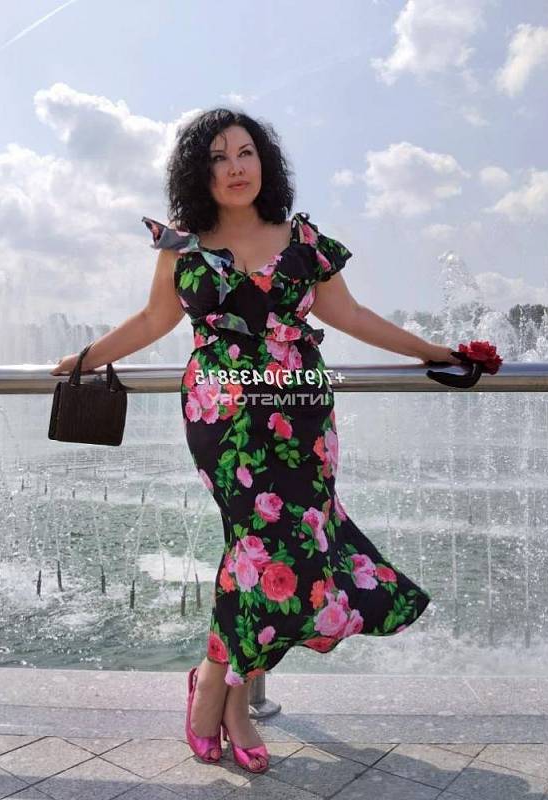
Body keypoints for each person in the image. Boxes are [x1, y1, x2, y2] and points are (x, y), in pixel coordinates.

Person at [51, 108, 463, 773]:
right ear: (199, 171)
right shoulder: (183, 243)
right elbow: (155, 319)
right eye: (218, 157)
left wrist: (434, 351)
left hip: (301, 413)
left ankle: (215, 685)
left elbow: (352, 315)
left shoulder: (302, 239)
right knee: (255, 548)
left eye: (246, 152)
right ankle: (231, 702)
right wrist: (84, 359)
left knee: (286, 553)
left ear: (264, 161)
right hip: (222, 414)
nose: (236, 167)